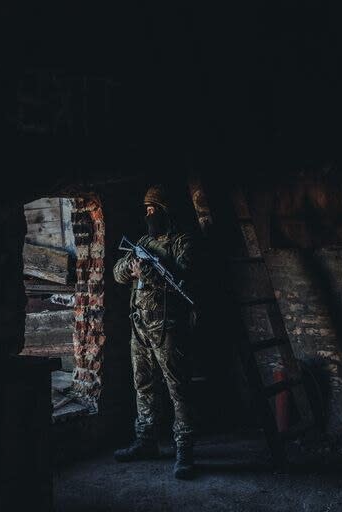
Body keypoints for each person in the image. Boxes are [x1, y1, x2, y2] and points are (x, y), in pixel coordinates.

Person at [112, 185, 197, 479]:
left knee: (178, 386)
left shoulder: (182, 242)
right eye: (146, 210)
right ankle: (146, 440)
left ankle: (185, 448)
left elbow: (183, 278)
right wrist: (131, 268)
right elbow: (117, 272)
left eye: (153, 209)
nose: (149, 215)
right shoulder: (143, 241)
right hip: (140, 324)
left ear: (166, 211)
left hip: (168, 325)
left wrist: (149, 270)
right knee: (143, 383)